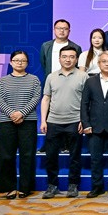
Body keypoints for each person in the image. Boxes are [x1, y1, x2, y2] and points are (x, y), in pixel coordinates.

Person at [40, 44, 88, 199]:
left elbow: (87, 101)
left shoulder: (83, 76)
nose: (68, 60)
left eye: (72, 57)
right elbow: (46, 98)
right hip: (53, 121)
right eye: (65, 57)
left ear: (76, 59)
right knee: (51, 156)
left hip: (75, 122)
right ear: (59, 59)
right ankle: (52, 185)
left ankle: (73, 185)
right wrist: (43, 120)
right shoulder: (51, 77)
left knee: (75, 156)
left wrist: (84, 120)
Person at [0, 50, 41, 199]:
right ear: (10, 62)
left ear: (27, 63)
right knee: (6, 155)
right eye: (16, 60)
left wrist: (21, 113)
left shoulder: (34, 80)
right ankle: (9, 188)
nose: (20, 63)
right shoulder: (3, 81)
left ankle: (26, 187)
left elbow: (36, 98)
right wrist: (12, 114)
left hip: (28, 121)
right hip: (6, 121)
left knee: (27, 155)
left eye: (23, 60)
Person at [79, 51, 108, 198]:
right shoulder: (90, 81)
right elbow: (84, 104)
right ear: (98, 64)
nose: (107, 64)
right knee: (95, 159)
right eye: (104, 61)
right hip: (94, 126)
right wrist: (86, 123)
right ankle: (96, 187)